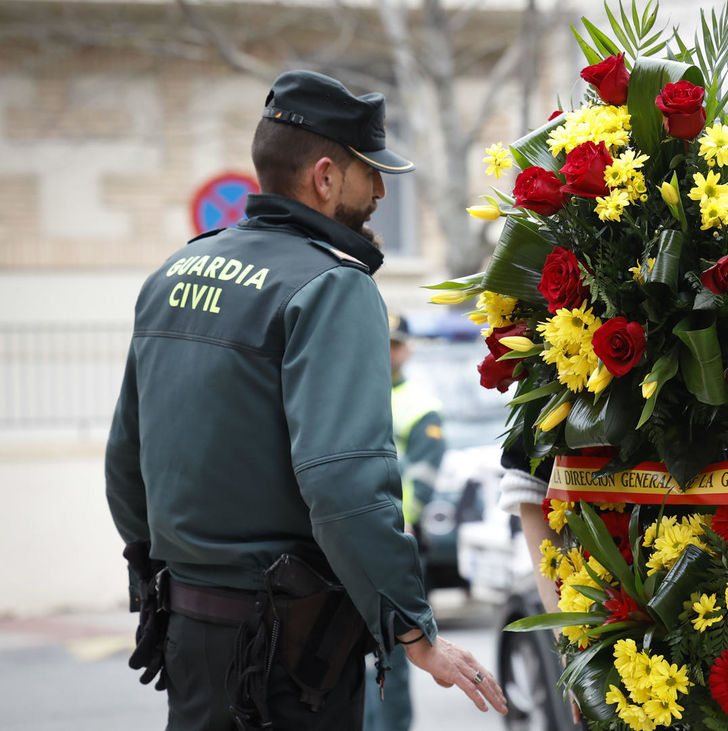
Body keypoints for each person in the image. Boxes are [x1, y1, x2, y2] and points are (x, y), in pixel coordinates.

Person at [105, 69, 507, 730]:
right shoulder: (331, 287)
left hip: (189, 632)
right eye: (370, 173)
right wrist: (415, 631)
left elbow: (127, 461)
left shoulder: (173, 274)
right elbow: (344, 483)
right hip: (289, 659)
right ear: (325, 177)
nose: (380, 192)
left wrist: (163, 586)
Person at [363, 313, 448, 731]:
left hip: (399, 539)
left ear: (407, 350)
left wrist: (402, 521)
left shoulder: (420, 404)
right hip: (359, 537)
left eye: (395, 344)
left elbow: (423, 476)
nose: (388, 352)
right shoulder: (359, 395)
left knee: (395, 648)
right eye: (383, 343)